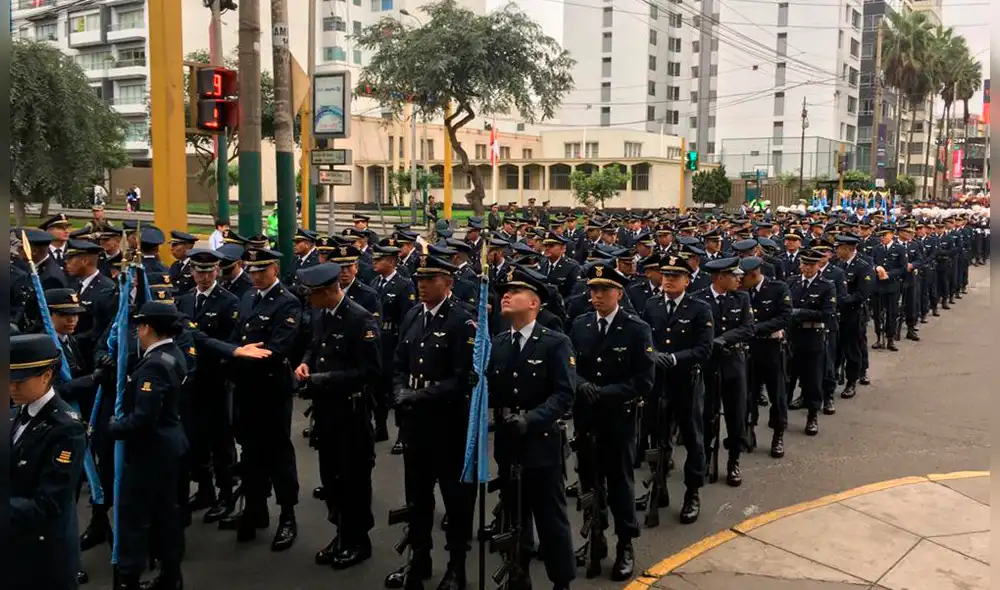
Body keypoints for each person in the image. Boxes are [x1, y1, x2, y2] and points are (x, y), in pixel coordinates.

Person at [385, 255, 476, 590]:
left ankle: (456, 566)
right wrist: (399, 389)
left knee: (455, 499)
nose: (421, 285)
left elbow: (464, 378)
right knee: (417, 497)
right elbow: (398, 362)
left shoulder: (462, 322)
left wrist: (420, 396)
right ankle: (418, 558)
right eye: (419, 279)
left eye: (430, 279)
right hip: (415, 425)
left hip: (448, 425)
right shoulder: (412, 315)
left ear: (448, 282)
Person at [488, 266, 577, 590]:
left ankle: (561, 580)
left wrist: (532, 418)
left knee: (550, 517)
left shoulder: (554, 342)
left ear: (534, 303)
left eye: (515, 292)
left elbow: (564, 395)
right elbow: (493, 390)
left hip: (540, 442)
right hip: (510, 443)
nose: (506, 296)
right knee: (515, 515)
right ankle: (518, 572)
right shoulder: (497, 343)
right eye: (504, 292)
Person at [569, 261, 655, 581]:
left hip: (618, 416)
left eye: (604, 290)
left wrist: (606, 392)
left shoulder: (635, 328)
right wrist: (581, 385)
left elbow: (645, 379)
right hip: (587, 417)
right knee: (590, 481)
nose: (597, 296)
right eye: (593, 289)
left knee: (619, 482)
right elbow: (569, 366)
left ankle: (625, 544)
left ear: (619, 292)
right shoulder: (580, 324)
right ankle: (596, 537)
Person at [294, 262, 382, 570]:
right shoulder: (321, 313)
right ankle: (341, 532)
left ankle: (358, 539)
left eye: (313, 294)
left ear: (330, 291)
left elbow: (370, 371)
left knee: (353, 478)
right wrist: (306, 363)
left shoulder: (360, 319)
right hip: (326, 411)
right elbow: (314, 345)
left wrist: (322, 379)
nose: (309, 300)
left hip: (351, 411)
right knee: (330, 477)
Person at [108, 301, 189, 590]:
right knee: (166, 514)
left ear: (147, 328)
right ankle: (171, 575)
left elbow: (144, 417)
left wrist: (113, 428)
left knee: (135, 516)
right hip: (169, 444)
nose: (137, 332)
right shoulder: (173, 353)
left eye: (139, 326)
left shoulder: (153, 366)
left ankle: (129, 578)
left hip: (150, 451)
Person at [10, 334, 87, 590]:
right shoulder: (15, 414)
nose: (11, 388)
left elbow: (48, 504)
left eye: (19, 381)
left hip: (43, 558)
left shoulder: (65, 429)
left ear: (47, 375)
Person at [641, 255, 714, 524]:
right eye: (666, 275)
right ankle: (657, 485)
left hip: (686, 381)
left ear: (687, 280)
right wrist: (654, 354)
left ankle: (692, 492)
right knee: (656, 436)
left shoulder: (699, 308)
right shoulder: (652, 305)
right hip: (658, 382)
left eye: (675, 276)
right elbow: (644, 339)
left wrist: (673, 358)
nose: (668, 280)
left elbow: (704, 349)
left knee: (693, 438)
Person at [176, 249, 241, 523]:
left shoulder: (229, 302)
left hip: (215, 380)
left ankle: (226, 494)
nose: (203, 277)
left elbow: (229, 342)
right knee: (196, 440)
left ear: (217, 271)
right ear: (191, 272)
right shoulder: (184, 300)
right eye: (198, 272)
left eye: (209, 271)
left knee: (221, 440)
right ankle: (205, 490)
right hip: (190, 381)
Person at [694, 256, 754, 486]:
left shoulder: (742, 298)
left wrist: (722, 339)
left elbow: (747, 329)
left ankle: (733, 459)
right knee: (706, 412)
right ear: (720, 277)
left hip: (733, 362)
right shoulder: (699, 299)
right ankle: (707, 456)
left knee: (735, 413)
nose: (738, 279)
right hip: (708, 364)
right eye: (733, 275)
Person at [740, 256, 792, 458]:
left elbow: (784, 317)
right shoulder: (742, 291)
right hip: (749, 348)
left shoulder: (778, 288)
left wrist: (754, 328)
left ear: (754, 274)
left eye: (743, 277)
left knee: (776, 394)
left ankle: (778, 434)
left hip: (771, 347)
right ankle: (748, 428)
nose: (740, 281)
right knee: (749, 393)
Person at [369, 238, 417, 446]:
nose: (374, 262)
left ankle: (402, 434)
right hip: (377, 343)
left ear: (390, 261)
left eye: (378, 259)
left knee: (395, 390)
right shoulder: (374, 283)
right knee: (377, 388)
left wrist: (403, 347)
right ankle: (380, 427)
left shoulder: (404, 285)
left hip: (394, 341)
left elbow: (407, 319)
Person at [786, 249, 836, 436]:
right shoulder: (792, 282)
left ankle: (812, 415)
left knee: (813, 379)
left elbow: (827, 314)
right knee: (788, 377)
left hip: (813, 336)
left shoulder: (826, 286)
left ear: (818, 266)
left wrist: (800, 312)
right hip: (792, 337)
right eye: (804, 264)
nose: (806, 268)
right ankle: (781, 415)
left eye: (810, 265)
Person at [832, 235, 874, 400]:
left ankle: (851, 381)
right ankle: (834, 376)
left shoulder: (863, 266)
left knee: (852, 349)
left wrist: (843, 301)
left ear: (848, 249)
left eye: (839, 248)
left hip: (853, 313)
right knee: (836, 347)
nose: (836, 251)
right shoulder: (837, 264)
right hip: (837, 314)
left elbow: (863, 293)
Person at [169, 230, 199, 295]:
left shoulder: (195, 266)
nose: (171, 248)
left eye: (175, 245)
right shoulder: (174, 265)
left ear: (188, 247)